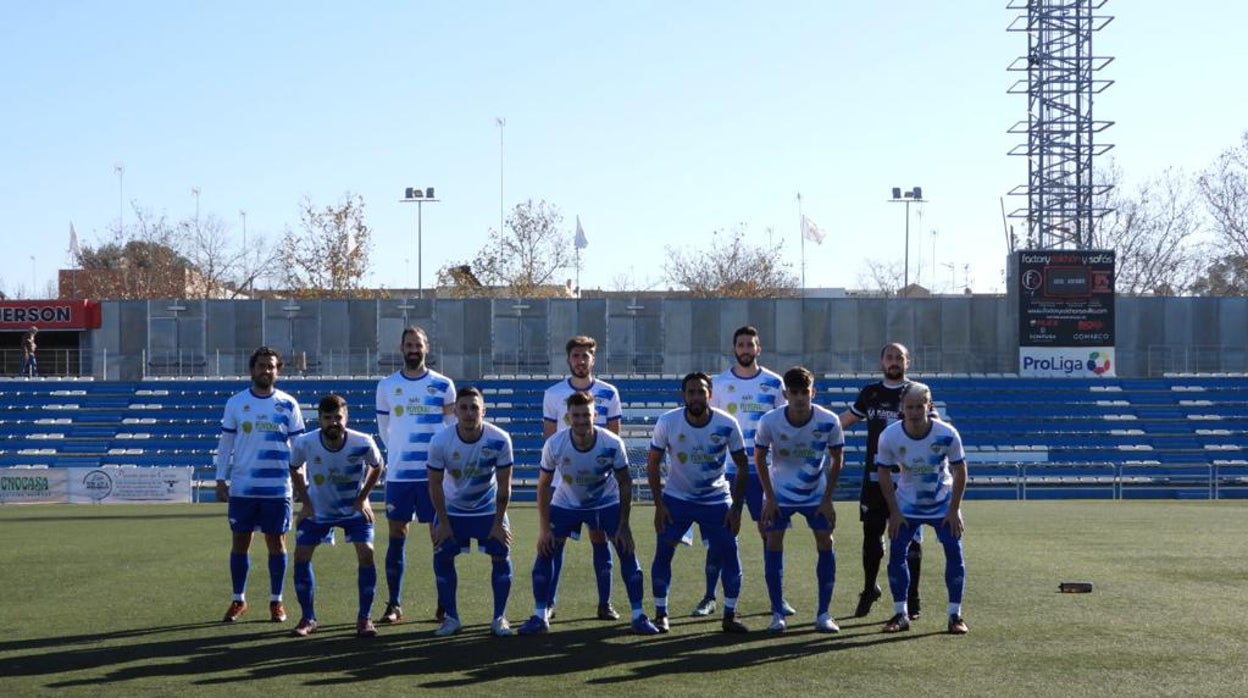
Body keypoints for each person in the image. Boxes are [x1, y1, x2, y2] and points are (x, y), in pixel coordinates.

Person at [519, 391, 660, 636]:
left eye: (587, 414)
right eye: (576, 415)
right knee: (545, 552)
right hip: (567, 502)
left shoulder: (611, 443)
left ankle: (638, 615)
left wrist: (624, 524)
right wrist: (543, 529)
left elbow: (625, 482)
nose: (582, 420)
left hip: (605, 502)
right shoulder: (554, 444)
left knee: (627, 551)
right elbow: (543, 485)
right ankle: (540, 615)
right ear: (567, 417)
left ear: (595, 415)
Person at [691, 325, 791, 619]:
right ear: (734, 348)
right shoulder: (718, 384)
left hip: (763, 472)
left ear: (758, 349)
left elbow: (782, 426)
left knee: (769, 533)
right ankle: (710, 596)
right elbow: (709, 424)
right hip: (727, 471)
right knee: (723, 534)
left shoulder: (775, 383)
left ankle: (778, 598)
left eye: (751, 345)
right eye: (741, 344)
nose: (746, 349)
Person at [647, 372, 750, 634]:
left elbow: (742, 465)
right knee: (664, 552)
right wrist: (659, 505)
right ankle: (661, 614)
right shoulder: (667, 421)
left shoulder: (727, 423)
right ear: (683, 395)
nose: (695, 396)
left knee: (730, 552)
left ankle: (729, 614)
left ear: (710, 394)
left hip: (716, 499)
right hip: (676, 499)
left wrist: (736, 509)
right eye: (690, 392)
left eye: (701, 392)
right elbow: (652, 463)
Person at [214, 346, 306, 623]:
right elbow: (226, 443)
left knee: (276, 542)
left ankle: (276, 601)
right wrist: (220, 478)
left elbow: (299, 446)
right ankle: (238, 599)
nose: (266, 370)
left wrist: (304, 484)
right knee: (240, 541)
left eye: (271, 366)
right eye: (261, 366)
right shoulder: (236, 403)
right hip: (243, 486)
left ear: (278, 371)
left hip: (277, 487)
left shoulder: (288, 404)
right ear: (252, 369)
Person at [754, 367, 846, 633]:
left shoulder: (828, 420)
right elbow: (759, 458)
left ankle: (824, 614)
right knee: (773, 541)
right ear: (784, 394)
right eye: (793, 392)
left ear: (813, 392)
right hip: (779, 493)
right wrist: (769, 498)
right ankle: (777, 614)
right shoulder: (770, 421)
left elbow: (837, 457)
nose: (799, 398)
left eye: (804, 392)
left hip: (815, 493)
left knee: (825, 540)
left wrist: (828, 499)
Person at [374, 326, 456, 625]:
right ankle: (394, 605)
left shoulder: (444, 385)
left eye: (418, 345)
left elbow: (450, 429)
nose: (413, 349)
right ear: (401, 347)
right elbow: (386, 431)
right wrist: (400, 450)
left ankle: (443, 604)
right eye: (409, 344)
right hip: (399, 475)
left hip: (433, 477)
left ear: (427, 347)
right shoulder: (386, 386)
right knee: (397, 536)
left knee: (440, 537)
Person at [839, 342, 925, 620]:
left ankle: (912, 597)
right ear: (881, 361)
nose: (894, 361)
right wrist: (815, 428)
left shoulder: (915, 393)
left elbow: (930, 425)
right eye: (889, 356)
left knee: (911, 541)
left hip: (909, 480)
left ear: (907, 362)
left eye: (899, 357)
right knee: (871, 538)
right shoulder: (870, 393)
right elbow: (846, 420)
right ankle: (869, 589)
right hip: (875, 477)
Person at [287, 394, 384, 638]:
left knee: (367, 553)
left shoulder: (362, 441)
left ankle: (365, 617)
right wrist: (306, 502)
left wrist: (362, 498)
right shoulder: (305, 443)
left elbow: (378, 465)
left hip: (353, 510)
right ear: (319, 419)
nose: (333, 423)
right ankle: (308, 618)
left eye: (338, 417)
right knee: (301, 555)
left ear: (346, 417)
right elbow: (294, 467)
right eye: (327, 418)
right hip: (318, 509)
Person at [875, 382, 969, 635]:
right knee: (896, 554)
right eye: (910, 407)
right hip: (907, 505)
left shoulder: (947, 433)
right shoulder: (890, 436)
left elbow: (960, 470)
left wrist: (954, 509)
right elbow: (883, 471)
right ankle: (900, 613)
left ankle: (955, 615)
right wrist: (894, 511)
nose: (915, 412)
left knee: (954, 553)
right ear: (901, 408)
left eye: (920, 406)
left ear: (929, 406)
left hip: (942, 505)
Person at [540, 335, 623, 621]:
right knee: (555, 541)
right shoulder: (553, 394)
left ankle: (605, 603)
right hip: (564, 484)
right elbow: (551, 440)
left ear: (593, 358)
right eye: (576, 356)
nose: (580, 360)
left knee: (600, 538)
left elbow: (614, 438)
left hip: (599, 485)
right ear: (568, 359)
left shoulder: (609, 393)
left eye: (585, 356)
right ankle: (548, 603)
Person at [427, 386, 515, 637]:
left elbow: (505, 486)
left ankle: (499, 618)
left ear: (483, 411)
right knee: (442, 557)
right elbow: (434, 484)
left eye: (474, 407)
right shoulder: (440, 441)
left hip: (487, 509)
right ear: (454, 411)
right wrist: (442, 523)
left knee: (501, 554)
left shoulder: (499, 439)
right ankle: (451, 618)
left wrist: (499, 523)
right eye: (463, 408)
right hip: (453, 510)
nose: (468, 413)